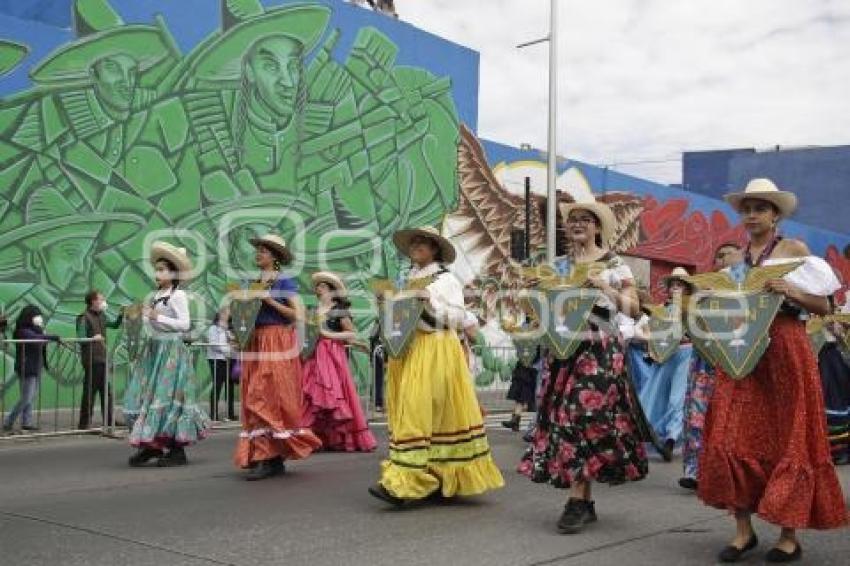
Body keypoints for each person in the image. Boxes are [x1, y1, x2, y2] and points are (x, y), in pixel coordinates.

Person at [698, 179, 847, 563]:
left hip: (785, 347)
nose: (751, 215)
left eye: (760, 208)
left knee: (789, 436)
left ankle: (788, 535)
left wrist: (790, 291)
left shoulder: (794, 251)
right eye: (746, 208)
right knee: (731, 434)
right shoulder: (736, 262)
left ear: (776, 214)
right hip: (744, 351)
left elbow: (826, 306)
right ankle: (742, 531)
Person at [518, 196, 649, 534]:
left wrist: (604, 285)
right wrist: (534, 292)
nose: (576, 224)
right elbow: (543, 311)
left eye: (585, 220)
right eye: (572, 219)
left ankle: (581, 500)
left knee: (584, 413)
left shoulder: (614, 263)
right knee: (565, 418)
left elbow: (634, 310)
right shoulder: (557, 265)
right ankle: (580, 501)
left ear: (597, 227)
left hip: (600, 343)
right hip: (564, 346)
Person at [368, 226, 504, 505]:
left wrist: (429, 303)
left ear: (435, 249)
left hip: (436, 348)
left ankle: (403, 483)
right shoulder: (407, 279)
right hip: (409, 350)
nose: (416, 246)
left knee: (419, 410)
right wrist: (385, 303)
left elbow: (457, 316)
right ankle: (433, 475)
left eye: (423, 242)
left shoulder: (446, 280)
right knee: (416, 411)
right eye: (414, 242)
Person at [235, 234, 321, 480]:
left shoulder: (284, 281)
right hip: (256, 340)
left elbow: (297, 315)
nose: (258, 254)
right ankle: (268, 456)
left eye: (264, 251)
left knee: (266, 395)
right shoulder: (252, 282)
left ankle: (269, 456)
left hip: (276, 339)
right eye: (258, 250)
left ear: (275, 257)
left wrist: (269, 299)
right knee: (254, 393)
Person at [124, 242, 210, 467]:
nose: (158, 273)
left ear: (174, 274)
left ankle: (175, 449)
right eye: (157, 269)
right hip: (154, 350)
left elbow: (184, 324)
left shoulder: (178, 295)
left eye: (163, 269)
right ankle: (149, 445)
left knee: (168, 398)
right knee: (145, 397)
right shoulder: (156, 295)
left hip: (171, 352)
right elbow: (150, 321)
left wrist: (156, 317)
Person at [679, 243, 743, 490]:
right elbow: (687, 320)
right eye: (719, 254)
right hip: (704, 359)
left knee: (731, 417)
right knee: (696, 414)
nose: (724, 257)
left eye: (730, 252)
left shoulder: (748, 288)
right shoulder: (701, 287)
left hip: (735, 360)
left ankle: (729, 472)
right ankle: (693, 470)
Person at [301, 272, 377, 452]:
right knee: (313, 395)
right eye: (317, 286)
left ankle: (337, 437)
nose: (317, 288)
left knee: (333, 394)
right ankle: (313, 437)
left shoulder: (338, 310)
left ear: (330, 289)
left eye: (321, 285)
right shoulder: (313, 310)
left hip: (332, 356)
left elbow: (350, 334)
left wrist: (329, 335)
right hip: (314, 356)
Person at [632, 268, 694, 462]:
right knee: (652, 394)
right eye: (673, 284)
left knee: (678, 397)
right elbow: (651, 333)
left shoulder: (692, 307)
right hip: (665, 356)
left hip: (685, 352)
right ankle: (643, 433)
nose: (676, 287)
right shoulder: (660, 310)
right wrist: (652, 346)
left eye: (680, 284)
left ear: (686, 288)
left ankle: (670, 438)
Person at [3, 306, 60, 433]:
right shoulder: (22, 331)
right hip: (26, 367)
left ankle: (26, 422)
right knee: (26, 397)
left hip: (36, 366)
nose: (39, 317)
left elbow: (41, 341)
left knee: (31, 396)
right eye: (36, 315)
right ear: (28, 317)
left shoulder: (37, 330)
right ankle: (9, 420)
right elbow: (33, 339)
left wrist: (45, 335)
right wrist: (50, 337)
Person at [76, 290, 123, 430]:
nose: (103, 302)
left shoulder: (102, 316)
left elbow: (114, 325)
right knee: (90, 391)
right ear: (93, 301)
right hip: (91, 358)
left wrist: (121, 315)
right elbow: (80, 338)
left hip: (102, 358)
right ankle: (84, 423)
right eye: (101, 299)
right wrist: (92, 338)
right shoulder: (83, 317)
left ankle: (109, 420)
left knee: (106, 392)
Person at [207, 307, 236, 421]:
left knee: (230, 387)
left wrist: (233, 348)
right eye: (224, 313)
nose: (226, 315)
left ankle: (230, 413)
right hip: (216, 359)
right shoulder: (213, 329)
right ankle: (214, 414)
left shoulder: (230, 329)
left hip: (228, 360)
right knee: (217, 386)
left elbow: (234, 342)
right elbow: (214, 345)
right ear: (219, 314)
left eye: (228, 314)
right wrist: (229, 350)